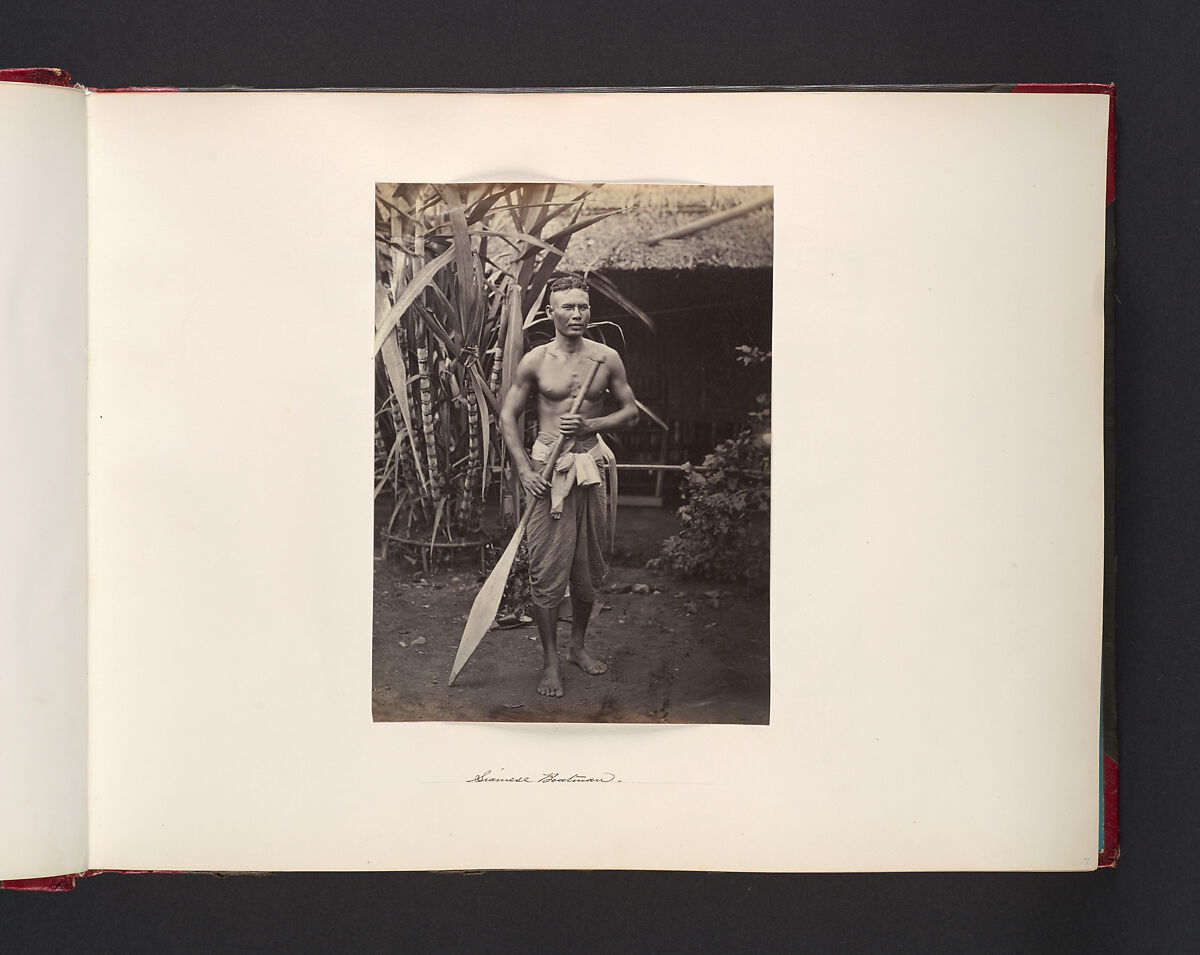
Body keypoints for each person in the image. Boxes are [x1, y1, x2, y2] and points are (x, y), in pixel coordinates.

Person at [499, 274, 639, 697]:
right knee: (546, 568)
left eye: (583, 306)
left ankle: (578, 646)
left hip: (591, 463)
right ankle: (550, 661)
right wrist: (524, 470)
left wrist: (593, 423)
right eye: (568, 307)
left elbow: (630, 412)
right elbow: (508, 417)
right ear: (551, 313)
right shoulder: (535, 361)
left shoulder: (607, 357)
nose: (577, 314)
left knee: (588, 566)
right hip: (548, 466)